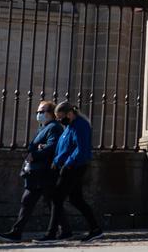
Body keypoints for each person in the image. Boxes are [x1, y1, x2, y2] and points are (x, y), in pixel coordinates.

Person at [0, 100, 63, 242]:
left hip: (43, 172)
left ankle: (17, 233)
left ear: (51, 114)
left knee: (37, 201)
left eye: (42, 111)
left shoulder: (54, 127)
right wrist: (38, 149)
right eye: (38, 112)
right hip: (37, 172)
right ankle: (64, 230)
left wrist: (36, 153)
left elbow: (51, 147)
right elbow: (38, 146)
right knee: (47, 202)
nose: (39, 114)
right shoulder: (43, 127)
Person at [44, 102, 104, 243]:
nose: (59, 120)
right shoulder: (70, 126)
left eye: (61, 117)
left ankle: (52, 233)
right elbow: (64, 147)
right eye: (57, 118)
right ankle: (95, 229)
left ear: (70, 114)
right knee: (76, 199)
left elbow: (81, 149)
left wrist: (67, 164)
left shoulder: (80, 125)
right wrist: (57, 161)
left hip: (74, 167)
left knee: (57, 198)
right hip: (68, 166)